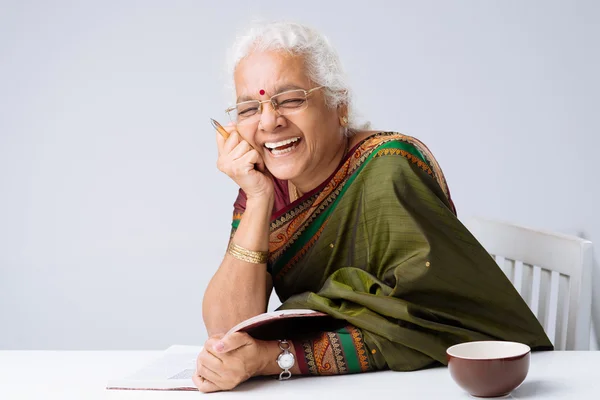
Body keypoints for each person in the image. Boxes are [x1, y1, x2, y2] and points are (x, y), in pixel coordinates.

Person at [194, 21, 552, 393]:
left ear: (339, 106)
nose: (270, 121)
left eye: (291, 99)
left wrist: (274, 357)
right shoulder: (265, 185)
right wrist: (257, 198)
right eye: (249, 108)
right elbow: (226, 331)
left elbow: (421, 323)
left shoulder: (389, 167)